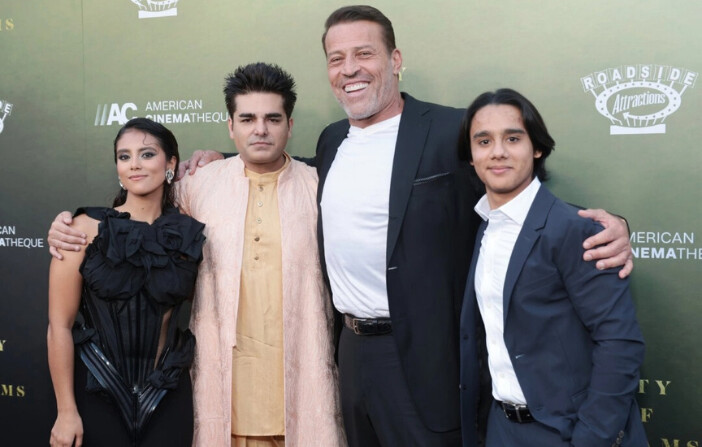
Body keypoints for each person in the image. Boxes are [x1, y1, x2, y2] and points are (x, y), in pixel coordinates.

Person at [51, 6, 633, 447]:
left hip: (424, 353)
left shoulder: (451, 130)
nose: (350, 69)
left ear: (395, 60)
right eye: (336, 58)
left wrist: (613, 224)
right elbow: (154, 204)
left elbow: (509, 178)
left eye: (365, 54)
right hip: (349, 353)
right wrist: (75, 224)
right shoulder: (327, 145)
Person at [49, 63, 345, 447]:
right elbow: (142, 209)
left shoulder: (322, 187)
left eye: (273, 118)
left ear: (289, 125)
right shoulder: (197, 185)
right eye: (247, 118)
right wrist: (64, 225)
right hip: (218, 392)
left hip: (304, 387)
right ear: (230, 126)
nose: (260, 129)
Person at [457, 88, 647, 447]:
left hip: (568, 432)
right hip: (502, 429)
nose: (497, 151)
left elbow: (620, 343)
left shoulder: (576, 229)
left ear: (537, 147)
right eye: (483, 141)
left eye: (512, 138)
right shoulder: (483, 226)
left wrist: (590, 439)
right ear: (471, 155)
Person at [47, 118, 205, 447]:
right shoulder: (83, 228)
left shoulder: (187, 233)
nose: (134, 165)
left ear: (170, 163)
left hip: (168, 395)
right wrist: (66, 410)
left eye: (147, 154)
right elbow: (59, 326)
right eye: (124, 156)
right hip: (95, 392)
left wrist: (217, 155)